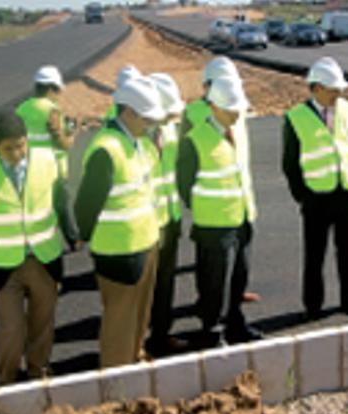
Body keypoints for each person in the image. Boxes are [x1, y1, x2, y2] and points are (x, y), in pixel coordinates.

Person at [0, 110, 74, 385]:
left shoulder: (48, 162)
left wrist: (72, 235)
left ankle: (38, 371)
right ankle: (7, 378)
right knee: (11, 328)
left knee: (42, 323)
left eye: (21, 145)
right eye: (8, 148)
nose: (17, 153)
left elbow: (60, 202)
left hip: (43, 257)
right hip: (3, 263)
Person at [74, 77, 163, 368]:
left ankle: (135, 358)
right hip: (118, 251)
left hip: (145, 242)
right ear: (128, 113)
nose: (150, 123)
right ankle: (115, 378)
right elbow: (86, 204)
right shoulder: (106, 149)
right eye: (146, 117)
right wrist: (83, 235)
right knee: (119, 321)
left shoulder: (138, 142)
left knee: (140, 314)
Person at [177, 77, 263, 345]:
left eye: (239, 110)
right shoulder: (195, 140)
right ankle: (212, 332)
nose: (237, 114)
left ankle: (235, 324)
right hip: (214, 225)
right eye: (231, 110)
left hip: (241, 219)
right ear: (213, 106)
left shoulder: (235, 134)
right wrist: (207, 208)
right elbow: (184, 184)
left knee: (239, 278)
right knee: (216, 285)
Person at [282, 57, 348, 320]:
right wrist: (303, 197)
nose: (338, 94)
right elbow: (290, 165)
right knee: (315, 256)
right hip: (316, 199)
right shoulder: (295, 118)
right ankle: (313, 305)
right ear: (316, 87)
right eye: (333, 89)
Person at [146, 73, 189, 356]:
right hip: (146, 225)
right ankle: (137, 342)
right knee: (144, 290)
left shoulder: (171, 132)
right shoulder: (137, 137)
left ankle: (161, 335)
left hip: (170, 220)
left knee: (165, 284)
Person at [16, 65, 77, 180]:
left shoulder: (21, 109)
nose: (59, 95)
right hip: (53, 171)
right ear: (50, 89)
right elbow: (63, 144)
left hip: (28, 171)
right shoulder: (52, 111)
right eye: (58, 90)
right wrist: (72, 133)